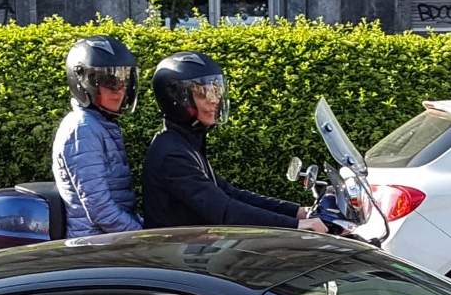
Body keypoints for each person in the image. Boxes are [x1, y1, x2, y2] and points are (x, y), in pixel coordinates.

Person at [140, 52, 328, 232]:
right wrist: (295, 226)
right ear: (177, 101)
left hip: (190, 248)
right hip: (175, 255)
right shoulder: (171, 155)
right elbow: (224, 210)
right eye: (202, 94)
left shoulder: (185, 143)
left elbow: (230, 194)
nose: (214, 100)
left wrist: (297, 212)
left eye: (215, 90)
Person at [52, 35, 142, 236]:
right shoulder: (82, 129)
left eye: (124, 81)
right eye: (109, 82)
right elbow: (99, 208)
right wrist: (140, 234)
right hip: (95, 246)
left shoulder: (101, 124)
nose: (119, 91)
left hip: (110, 239)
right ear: (82, 82)